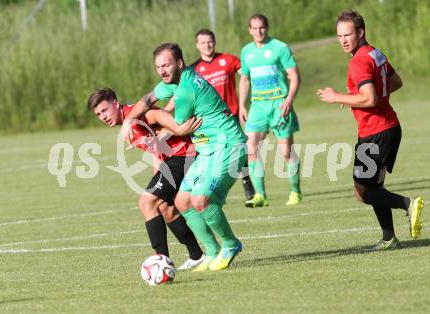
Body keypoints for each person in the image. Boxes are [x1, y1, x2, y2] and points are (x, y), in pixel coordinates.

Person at [123, 43, 247, 271]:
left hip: (228, 146)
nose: (162, 70)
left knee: (200, 200)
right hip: (208, 150)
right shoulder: (177, 81)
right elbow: (149, 98)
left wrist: (156, 138)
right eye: (158, 66)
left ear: (180, 64)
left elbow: (178, 125)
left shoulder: (185, 90)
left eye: (167, 65)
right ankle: (210, 251)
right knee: (181, 201)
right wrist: (129, 121)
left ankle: (230, 244)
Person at [317, 10, 424, 250]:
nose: (343, 40)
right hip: (389, 128)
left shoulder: (358, 62)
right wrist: (356, 98)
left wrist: (336, 97)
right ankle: (389, 238)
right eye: (339, 35)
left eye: (348, 35)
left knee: (362, 191)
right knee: (375, 186)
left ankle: (408, 203)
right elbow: (395, 82)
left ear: (361, 32)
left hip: (375, 134)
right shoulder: (375, 53)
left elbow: (371, 98)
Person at [87, 87, 205, 270]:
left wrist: (171, 130)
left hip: (183, 156)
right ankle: (197, 256)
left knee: (146, 203)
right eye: (98, 114)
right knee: (165, 208)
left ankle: (160, 262)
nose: (103, 116)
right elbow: (156, 153)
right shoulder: (127, 127)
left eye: (105, 110)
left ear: (116, 104)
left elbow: (157, 115)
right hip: (173, 160)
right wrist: (156, 179)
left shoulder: (137, 116)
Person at [239, 13, 303, 208]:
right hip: (258, 107)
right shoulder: (246, 51)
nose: (259, 31)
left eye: (262, 27)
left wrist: (289, 100)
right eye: (255, 28)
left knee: (286, 152)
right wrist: (242, 104)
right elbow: (244, 79)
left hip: (279, 106)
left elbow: (294, 75)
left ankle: (295, 191)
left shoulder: (280, 48)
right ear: (250, 30)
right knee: (251, 150)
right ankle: (261, 195)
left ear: (267, 28)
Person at [191, 28, 255, 201]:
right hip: (207, 121)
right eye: (203, 42)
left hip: (229, 116)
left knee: (238, 152)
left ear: (215, 41)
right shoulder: (194, 69)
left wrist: (243, 104)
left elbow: (247, 74)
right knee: (209, 154)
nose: (207, 45)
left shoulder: (227, 60)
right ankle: (209, 189)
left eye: (209, 41)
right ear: (197, 45)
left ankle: (247, 182)